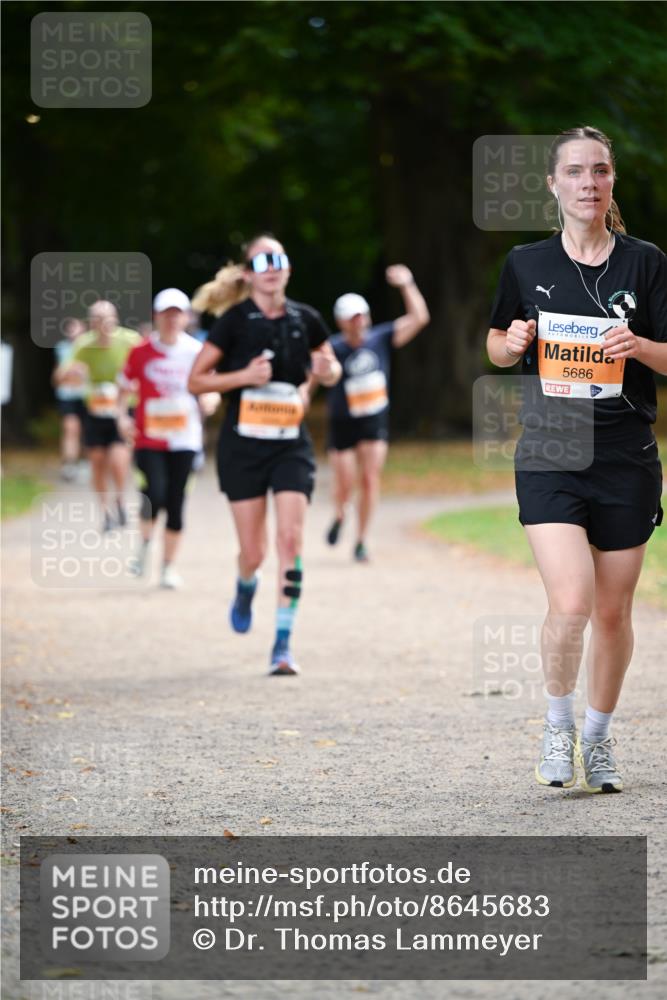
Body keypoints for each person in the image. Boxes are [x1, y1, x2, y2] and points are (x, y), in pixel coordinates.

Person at [486, 126, 666, 793]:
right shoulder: (525, 264)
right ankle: (557, 728)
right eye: (575, 172)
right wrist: (510, 342)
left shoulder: (645, 262)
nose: (588, 183)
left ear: (610, 181)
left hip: (625, 457)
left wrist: (638, 346)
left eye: (599, 171)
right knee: (570, 602)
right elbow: (496, 347)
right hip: (550, 451)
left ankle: (597, 736)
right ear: (553, 184)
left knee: (614, 613)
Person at [188, 234, 341, 675]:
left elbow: (329, 367)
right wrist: (243, 376)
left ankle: (282, 642)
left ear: (288, 269)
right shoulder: (234, 322)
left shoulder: (306, 319)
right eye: (262, 260)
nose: (272, 267)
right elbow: (197, 382)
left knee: (290, 542)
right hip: (243, 448)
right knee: (253, 551)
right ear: (248, 274)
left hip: (290, 446)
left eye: (279, 258)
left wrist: (328, 370)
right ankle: (245, 582)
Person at [325, 265, 429, 561]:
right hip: (343, 422)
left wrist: (407, 284)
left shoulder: (381, 338)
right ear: (341, 322)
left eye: (361, 316)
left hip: (374, 419)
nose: (358, 323)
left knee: (369, 478)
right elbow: (314, 375)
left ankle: (361, 539)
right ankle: (340, 513)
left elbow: (420, 318)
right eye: (351, 319)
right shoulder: (333, 347)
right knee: (345, 482)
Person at [118, 289, 219, 588]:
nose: (172, 319)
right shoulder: (140, 352)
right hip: (149, 438)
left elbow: (210, 386)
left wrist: (210, 400)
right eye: (166, 313)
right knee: (155, 494)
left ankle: (168, 568)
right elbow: (123, 390)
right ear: (156, 316)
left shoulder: (197, 351)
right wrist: (121, 417)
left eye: (177, 314)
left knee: (176, 503)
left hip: (185, 438)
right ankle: (145, 545)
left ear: (186, 317)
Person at [54, 301, 142, 531]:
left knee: (118, 460)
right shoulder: (83, 344)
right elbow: (60, 377)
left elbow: (146, 367)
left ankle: (120, 498)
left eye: (106, 317)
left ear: (115, 318)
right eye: (96, 318)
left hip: (123, 410)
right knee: (97, 464)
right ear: (91, 322)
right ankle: (105, 513)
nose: (102, 323)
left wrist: (136, 385)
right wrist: (72, 372)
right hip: (95, 411)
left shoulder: (130, 340)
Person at [52, 317, 87, 481]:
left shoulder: (91, 348)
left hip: (87, 396)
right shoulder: (62, 349)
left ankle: (87, 462)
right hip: (68, 396)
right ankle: (70, 464)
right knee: (71, 428)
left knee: (87, 430)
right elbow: (57, 377)